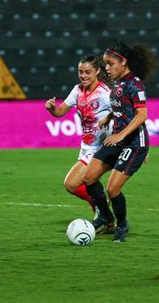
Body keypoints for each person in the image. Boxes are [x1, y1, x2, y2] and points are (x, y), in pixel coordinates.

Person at [83, 41, 158, 242]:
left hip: (133, 144)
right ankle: (106, 217)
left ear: (123, 62)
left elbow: (141, 115)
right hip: (117, 139)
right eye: (105, 64)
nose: (106, 68)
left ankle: (122, 224)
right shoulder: (119, 84)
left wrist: (121, 135)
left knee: (112, 188)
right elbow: (123, 109)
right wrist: (109, 117)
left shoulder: (135, 84)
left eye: (110, 63)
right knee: (89, 178)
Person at [45, 54, 112, 216]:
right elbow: (60, 111)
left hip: (101, 148)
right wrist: (52, 108)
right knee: (82, 184)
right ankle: (103, 212)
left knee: (71, 184)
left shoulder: (105, 93)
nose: (83, 75)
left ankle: (101, 205)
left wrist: (139, 142)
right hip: (87, 147)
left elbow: (126, 112)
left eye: (87, 72)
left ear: (97, 71)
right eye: (80, 72)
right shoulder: (77, 90)